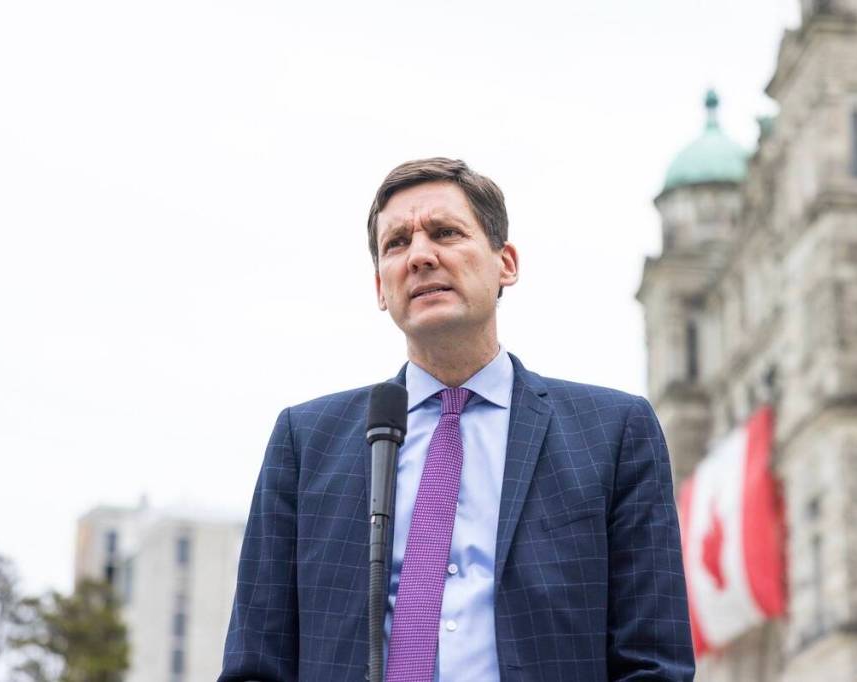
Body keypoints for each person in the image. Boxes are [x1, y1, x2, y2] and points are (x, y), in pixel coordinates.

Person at [219, 158, 694, 682]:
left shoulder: (612, 432)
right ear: (381, 285)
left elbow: (653, 663)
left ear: (505, 263)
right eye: (397, 244)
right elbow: (256, 663)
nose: (421, 256)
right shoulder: (306, 442)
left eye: (445, 233)